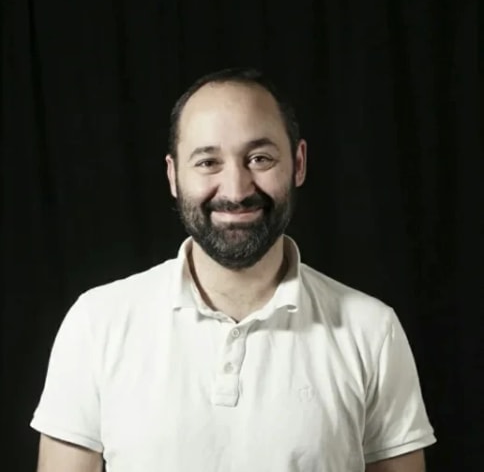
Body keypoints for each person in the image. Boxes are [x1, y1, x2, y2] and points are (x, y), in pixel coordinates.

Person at [31, 67, 436, 472]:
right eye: (208, 162)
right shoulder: (97, 323)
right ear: (173, 175)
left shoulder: (372, 331)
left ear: (298, 163)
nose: (236, 190)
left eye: (260, 159)